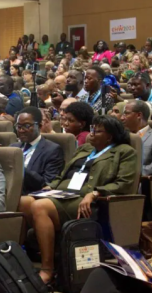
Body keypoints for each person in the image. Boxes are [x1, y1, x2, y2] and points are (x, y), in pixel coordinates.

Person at [27, 116, 136, 283]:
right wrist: (51, 186)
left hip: (87, 200)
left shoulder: (124, 152)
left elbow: (124, 184)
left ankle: (47, 268)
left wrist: (95, 193)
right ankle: (23, 262)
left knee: (39, 207)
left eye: (98, 131)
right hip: (62, 193)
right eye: (92, 129)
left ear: (110, 136)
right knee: (24, 201)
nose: (91, 134)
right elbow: (64, 173)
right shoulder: (84, 149)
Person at [11, 107, 64, 200]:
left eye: (27, 126)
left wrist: (19, 167)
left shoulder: (52, 150)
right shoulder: (13, 148)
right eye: (19, 126)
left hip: (31, 196)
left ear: (39, 126)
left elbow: (47, 183)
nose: (21, 130)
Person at [121, 100, 152, 175]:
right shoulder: (121, 136)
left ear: (139, 115)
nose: (122, 118)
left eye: (126, 113)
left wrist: (130, 173)